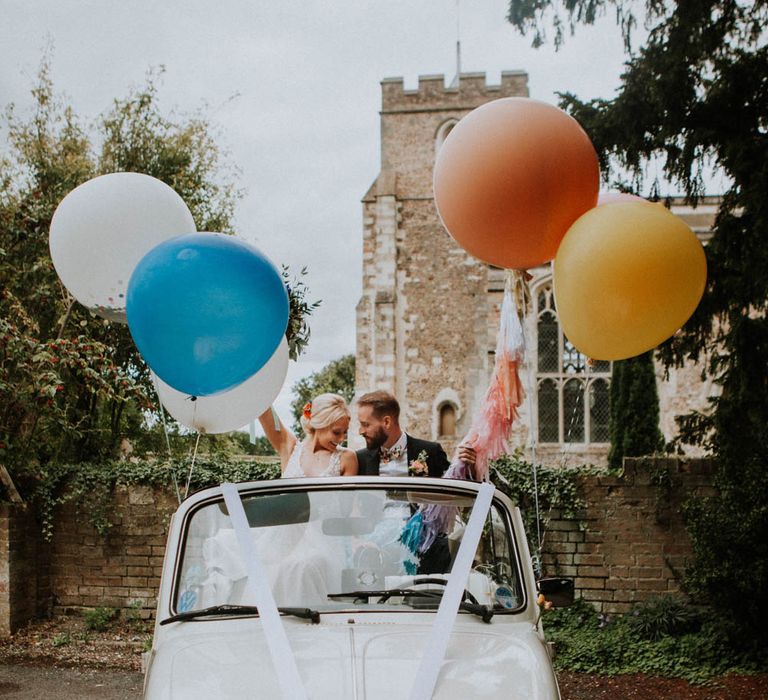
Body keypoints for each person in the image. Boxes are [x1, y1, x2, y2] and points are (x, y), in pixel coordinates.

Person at [355, 390, 475, 477]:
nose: (360, 431)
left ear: (387, 422)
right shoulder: (359, 459)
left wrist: (469, 465)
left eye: (366, 425)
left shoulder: (431, 452)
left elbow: (455, 489)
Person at [259, 392, 358, 477]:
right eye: (336, 432)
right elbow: (261, 405)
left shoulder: (347, 458)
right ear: (319, 424)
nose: (342, 439)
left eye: (345, 432)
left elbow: (347, 499)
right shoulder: (289, 447)